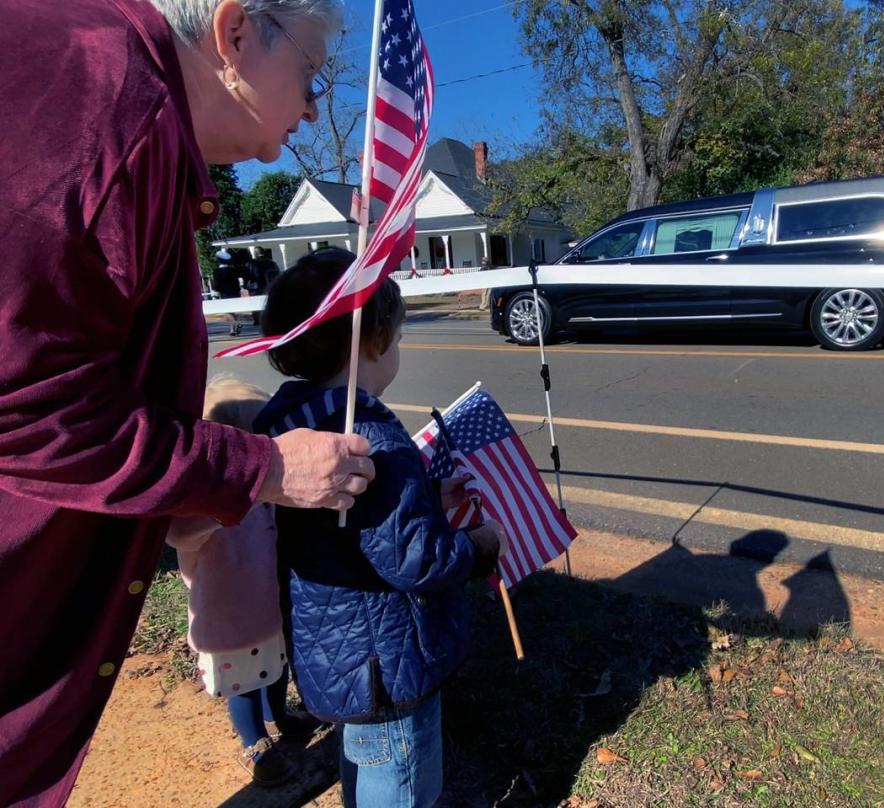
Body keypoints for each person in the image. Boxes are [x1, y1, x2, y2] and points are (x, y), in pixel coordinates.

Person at [0, 2, 377, 805]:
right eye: (309, 75)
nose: (315, 107)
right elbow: (29, 409)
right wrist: (263, 467)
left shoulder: (110, 100)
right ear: (237, 34)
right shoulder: (105, 104)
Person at [253, 248, 506, 808]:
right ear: (372, 340)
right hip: (388, 665)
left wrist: (423, 497)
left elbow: (358, 526)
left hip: (335, 652)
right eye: (398, 336)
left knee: (362, 763)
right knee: (402, 780)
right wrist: (480, 547)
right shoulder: (372, 441)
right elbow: (415, 560)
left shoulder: (293, 424)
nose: (399, 349)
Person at [166, 377, 321, 787]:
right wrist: (221, 510)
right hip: (227, 612)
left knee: (274, 667)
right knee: (243, 684)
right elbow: (178, 536)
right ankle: (254, 742)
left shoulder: (264, 497)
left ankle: (280, 715)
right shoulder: (201, 501)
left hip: (266, 603)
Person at [212, 248, 246, 336]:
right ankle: (232, 330)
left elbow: (216, 284)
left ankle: (236, 323)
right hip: (235, 292)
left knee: (226, 311)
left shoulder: (217, 271)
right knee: (233, 311)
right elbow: (237, 281)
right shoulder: (233, 269)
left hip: (224, 293)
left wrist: (215, 291)